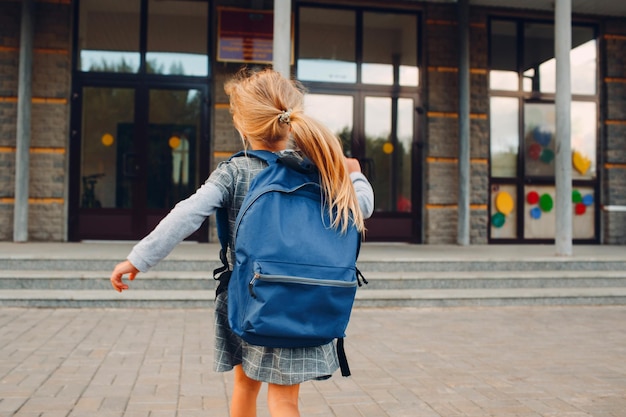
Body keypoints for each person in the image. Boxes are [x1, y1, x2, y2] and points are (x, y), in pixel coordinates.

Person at [110, 67, 374, 417]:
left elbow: (187, 214)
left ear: (243, 124)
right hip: (303, 300)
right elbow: (364, 208)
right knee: (284, 401)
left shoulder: (234, 172)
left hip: (250, 299)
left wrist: (138, 259)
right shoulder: (317, 171)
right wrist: (354, 173)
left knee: (244, 385)